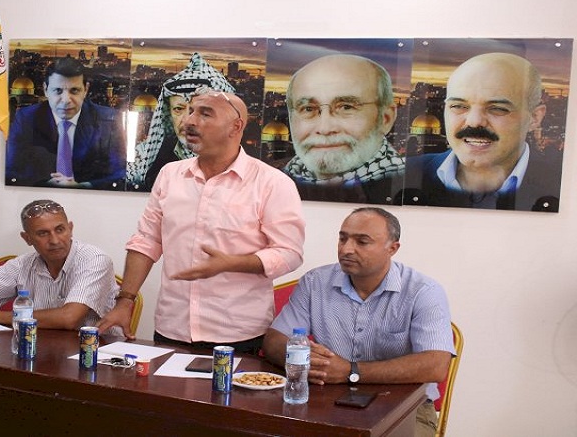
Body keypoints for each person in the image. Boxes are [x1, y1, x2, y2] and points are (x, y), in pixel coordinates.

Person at [98, 87, 306, 354]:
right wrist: (125, 301)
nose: (189, 121)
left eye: (205, 114)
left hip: (239, 333)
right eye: (190, 111)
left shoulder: (272, 183)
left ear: (236, 127)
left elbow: (289, 253)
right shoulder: (170, 175)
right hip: (172, 327)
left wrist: (232, 264)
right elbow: (146, 241)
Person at [262, 207, 454, 437]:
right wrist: (304, 359)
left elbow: (435, 365)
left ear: (392, 248)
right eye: (343, 238)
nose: (346, 249)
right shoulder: (315, 282)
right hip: (324, 403)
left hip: (406, 410)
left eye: (362, 242)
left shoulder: (423, 291)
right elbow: (274, 340)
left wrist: (350, 371)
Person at [404, 52, 559, 212]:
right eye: (458, 106)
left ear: (534, 118)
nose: (474, 121)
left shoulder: (561, 183)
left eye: (497, 108)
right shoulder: (400, 174)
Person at [0, 199, 119, 332]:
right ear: (27, 238)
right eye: (43, 233)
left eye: (60, 229)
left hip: (96, 352)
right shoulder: (22, 264)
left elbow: (69, 318)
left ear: (70, 228)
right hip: (39, 347)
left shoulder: (95, 259)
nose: (54, 240)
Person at [280, 54, 404, 204]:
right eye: (308, 109)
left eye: (346, 107)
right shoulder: (276, 182)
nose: (325, 128)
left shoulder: (405, 185)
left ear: (386, 118)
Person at [5, 56, 126, 190]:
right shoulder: (26, 119)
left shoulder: (109, 120)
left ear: (86, 90)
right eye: (58, 91)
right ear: (45, 90)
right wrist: (45, 185)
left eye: (74, 90)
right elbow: (12, 171)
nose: (66, 100)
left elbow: (120, 174)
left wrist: (83, 186)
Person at [126, 52, 236, 191]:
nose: (187, 121)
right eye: (178, 109)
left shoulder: (238, 165)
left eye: (201, 111)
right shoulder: (143, 157)